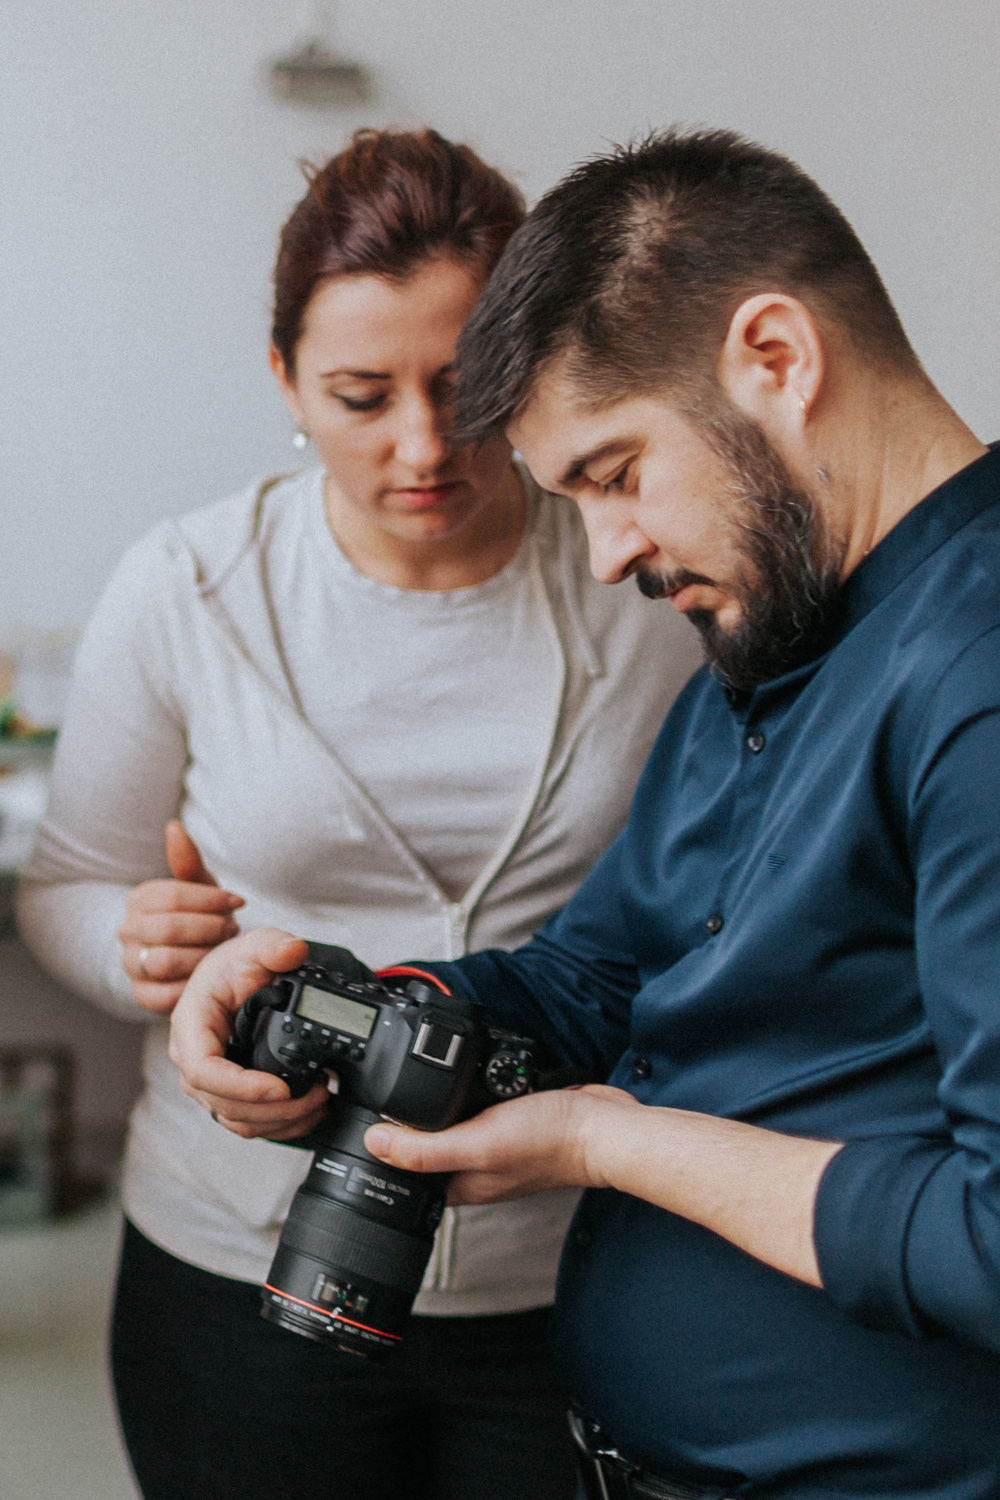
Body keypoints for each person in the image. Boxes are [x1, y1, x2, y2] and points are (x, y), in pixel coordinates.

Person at [170, 127, 1000, 1499]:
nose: (610, 555)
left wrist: (603, 1141)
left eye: (616, 476)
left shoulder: (974, 676)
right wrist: (346, 1006)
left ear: (777, 357)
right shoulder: (781, 635)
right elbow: (595, 977)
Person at [16, 128, 700, 1500]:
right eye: (360, 395)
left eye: (464, 383)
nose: (422, 444)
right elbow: (66, 884)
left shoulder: (646, 577)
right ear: (285, 379)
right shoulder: (190, 590)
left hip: (570, 1269)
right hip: (240, 1265)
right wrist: (137, 949)